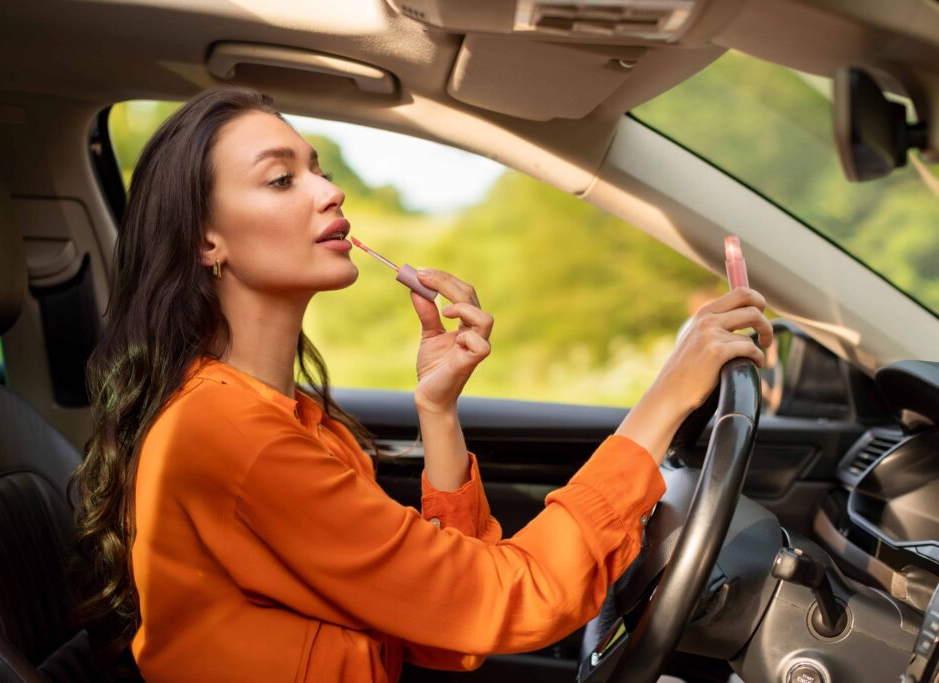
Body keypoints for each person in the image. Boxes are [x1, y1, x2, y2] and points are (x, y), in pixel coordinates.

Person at [68, 85, 773, 682]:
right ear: (205, 240)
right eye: (282, 180)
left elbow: (441, 627)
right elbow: (507, 600)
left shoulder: (292, 418)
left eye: (318, 170)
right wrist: (663, 401)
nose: (330, 190)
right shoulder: (231, 433)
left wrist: (437, 410)